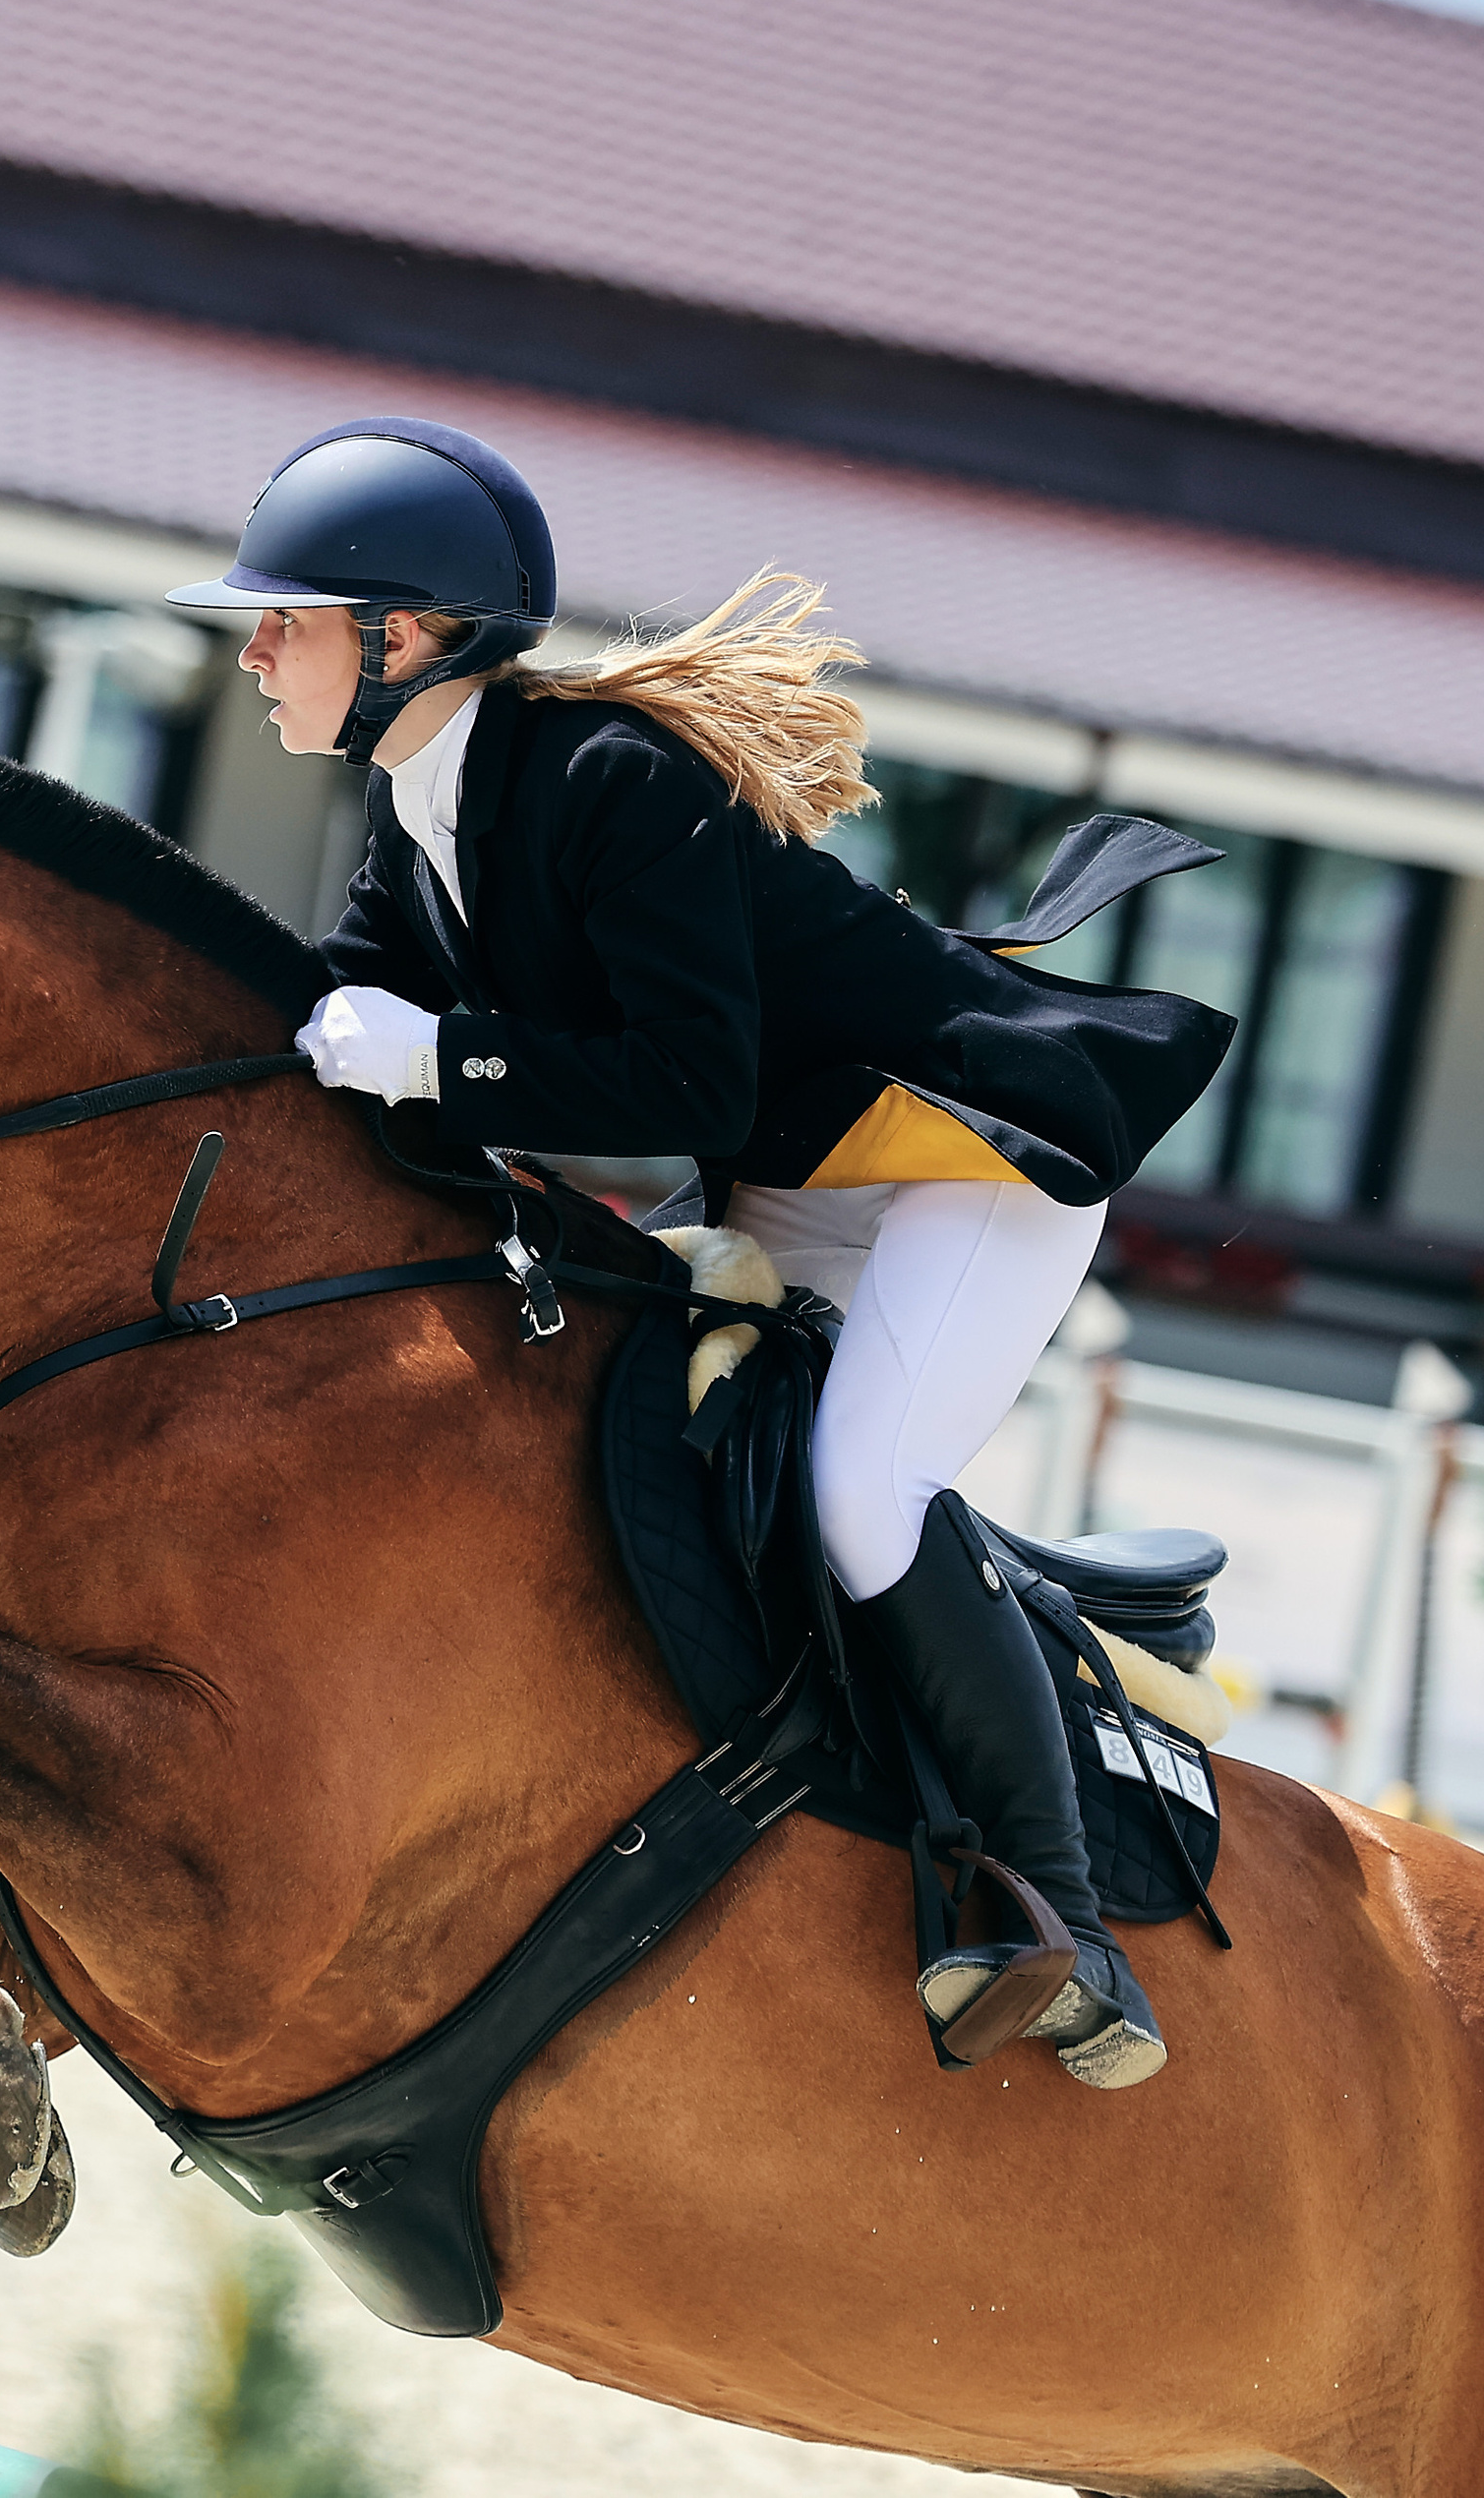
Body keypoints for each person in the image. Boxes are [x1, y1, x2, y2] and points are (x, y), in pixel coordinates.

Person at [168, 418, 1233, 2091]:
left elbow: (685, 1086)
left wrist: (445, 1061)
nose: (252, 650)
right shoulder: (421, 815)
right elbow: (331, 1039)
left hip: (967, 1160)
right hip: (803, 1166)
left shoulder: (609, 780)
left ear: (406, 635)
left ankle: (1064, 1918)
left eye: (285, 620)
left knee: (860, 1493)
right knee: (657, 1425)